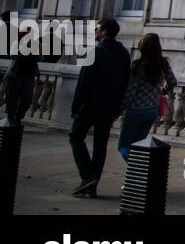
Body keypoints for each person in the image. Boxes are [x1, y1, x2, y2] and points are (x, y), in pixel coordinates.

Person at [69, 18, 130, 197]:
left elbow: (83, 83)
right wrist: (119, 107)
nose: (95, 31)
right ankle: (92, 186)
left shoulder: (94, 52)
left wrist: (75, 107)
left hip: (89, 106)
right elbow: (125, 83)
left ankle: (87, 176)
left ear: (103, 31)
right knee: (100, 145)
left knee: (75, 137)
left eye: (97, 28)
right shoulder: (124, 54)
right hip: (109, 107)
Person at [117, 33, 177, 162]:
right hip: (152, 110)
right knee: (139, 146)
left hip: (136, 110)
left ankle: (139, 170)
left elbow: (131, 91)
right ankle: (140, 177)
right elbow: (173, 82)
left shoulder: (138, 66)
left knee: (124, 145)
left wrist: (120, 108)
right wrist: (162, 91)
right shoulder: (163, 64)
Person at [0, 10, 38, 122]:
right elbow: (13, 55)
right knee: (12, 99)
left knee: (27, 99)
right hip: (15, 74)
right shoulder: (17, 43)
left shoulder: (35, 44)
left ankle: (19, 117)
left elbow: (39, 57)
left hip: (28, 75)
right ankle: (11, 119)